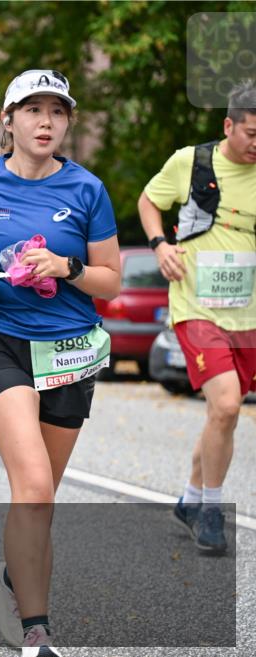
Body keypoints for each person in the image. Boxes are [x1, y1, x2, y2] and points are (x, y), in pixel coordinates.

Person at [0, 70, 121, 657]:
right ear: (7, 121)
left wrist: (66, 267)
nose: (46, 121)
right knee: (33, 485)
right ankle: (36, 637)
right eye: (32, 110)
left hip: (68, 352)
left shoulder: (87, 189)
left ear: (67, 123)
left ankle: (13, 576)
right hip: (1, 345)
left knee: (41, 497)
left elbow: (110, 281)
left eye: (57, 112)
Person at [138, 79, 256, 555]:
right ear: (229, 125)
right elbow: (149, 201)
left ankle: (189, 499)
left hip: (247, 310)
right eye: (251, 134)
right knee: (227, 406)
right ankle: (210, 510)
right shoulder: (192, 162)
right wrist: (159, 245)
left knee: (219, 416)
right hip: (196, 304)